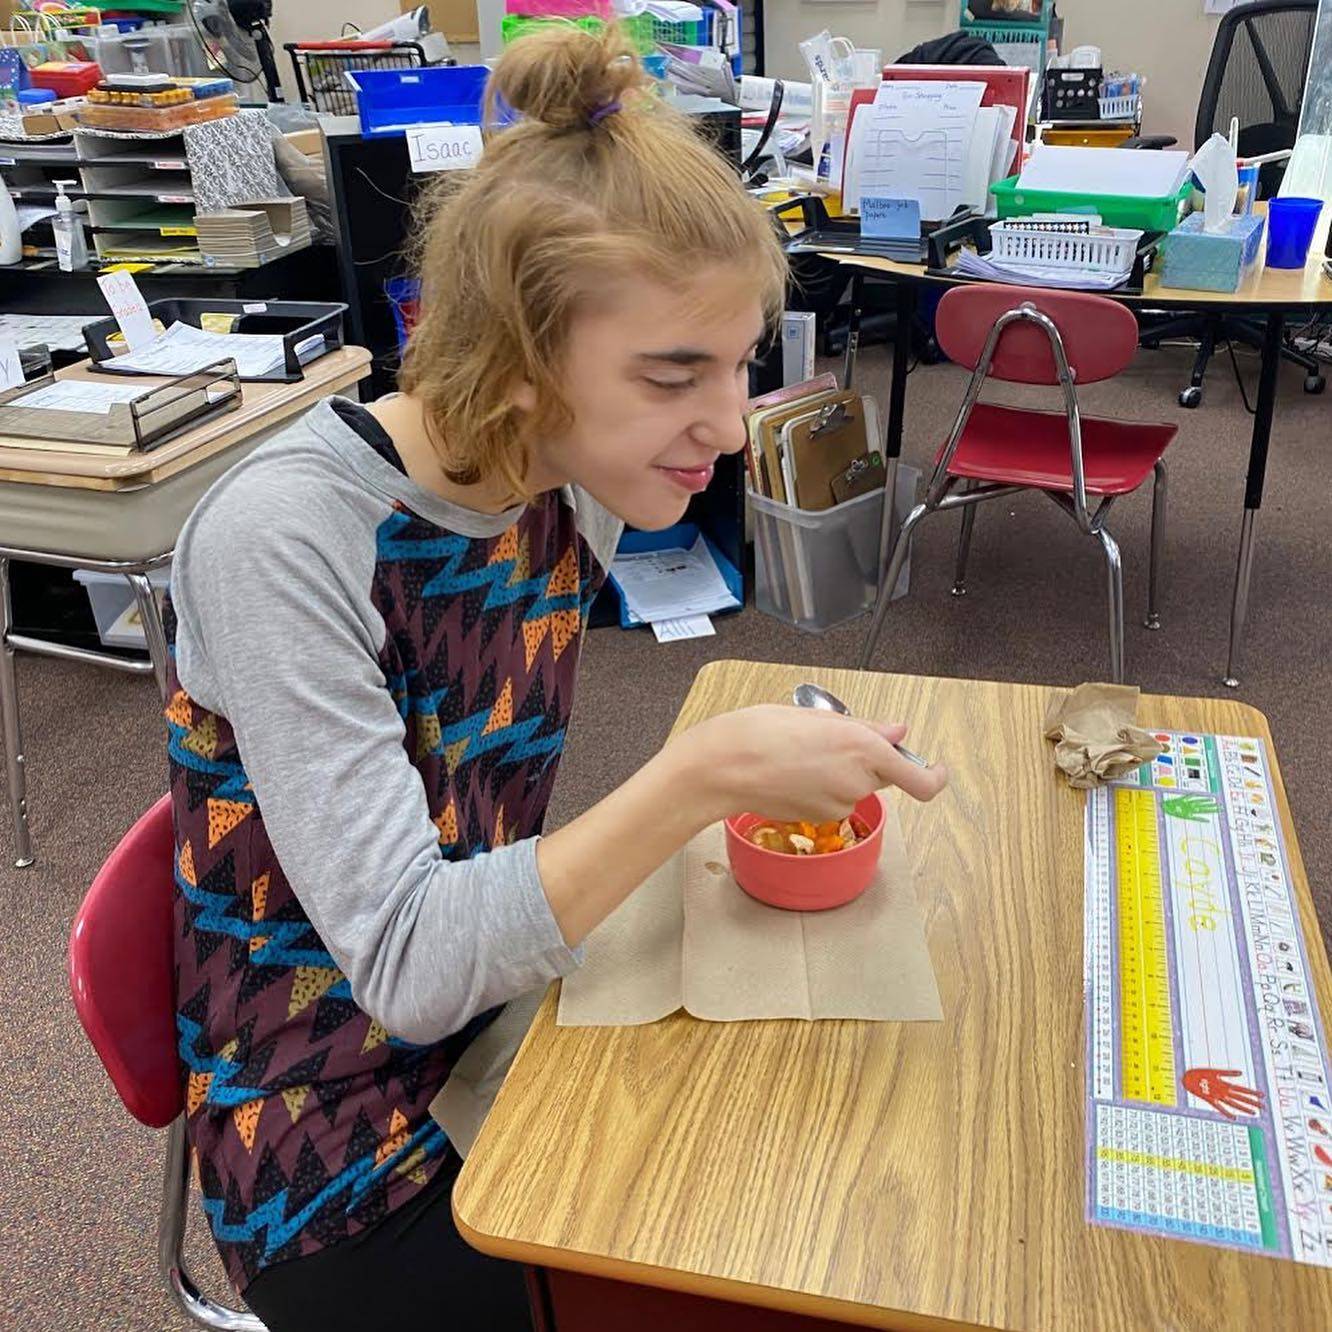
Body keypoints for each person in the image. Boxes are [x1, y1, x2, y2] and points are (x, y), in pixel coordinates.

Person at [162, 24, 947, 1332]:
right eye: (671, 375)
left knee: (851, 1151)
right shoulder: (286, 541)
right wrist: (696, 780)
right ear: (516, 362)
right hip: (330, 1146)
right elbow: (406, 962)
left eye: (739, 362)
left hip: (499, 1018)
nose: (724, 420)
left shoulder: (561, 480)